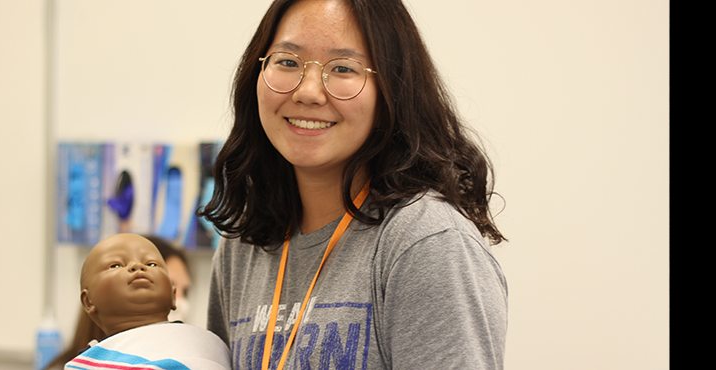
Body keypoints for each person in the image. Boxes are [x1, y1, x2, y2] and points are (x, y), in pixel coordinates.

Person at [197, 0, 508, 369]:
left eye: (343, 68)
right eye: (287, 62)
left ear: (391, 90)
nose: (308, 92)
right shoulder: (244, 242)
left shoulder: (426, 243)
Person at [63, 233, 230, 370]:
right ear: (89, 301)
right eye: (115, 266)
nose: (137, 266)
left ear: (172, 294)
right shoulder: (89, 363)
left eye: (151, 264)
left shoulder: (208, 345)